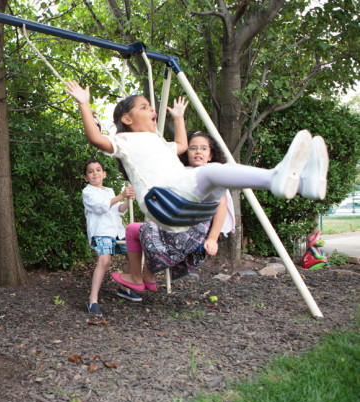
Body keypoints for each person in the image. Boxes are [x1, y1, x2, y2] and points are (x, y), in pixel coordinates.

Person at [65, 80, 328, 289]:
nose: (152, 111)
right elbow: (96, 138)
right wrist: (84, 104)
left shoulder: (159, 142)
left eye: (151, 107)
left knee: (218, 175)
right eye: (144, 107)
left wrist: (178, 117)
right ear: (127, 119)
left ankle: (302, 184)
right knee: (211, 172)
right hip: (164, 202)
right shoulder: (125, 142)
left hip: (190, 206)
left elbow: (181, 145)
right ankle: (275, 177)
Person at [113, 132, 236, 291]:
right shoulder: (183, 173)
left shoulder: (211, 176)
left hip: (189, 234)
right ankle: (148, 278)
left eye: (203, 148)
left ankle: (137, 278)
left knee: (134, 230)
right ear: (187, 152)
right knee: (152, 227)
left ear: (211, 155)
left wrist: (212, 239)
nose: (198, 152)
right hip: (179, 229)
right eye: (193, 148)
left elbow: (221, 206)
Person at [82, 159, 139, 316]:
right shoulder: (88, 192)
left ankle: (124, 288)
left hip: (117, 231)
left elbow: (118, 210)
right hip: (102, 232)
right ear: (86, 177)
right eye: (90, 171)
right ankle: (92, 300)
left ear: (104, 174)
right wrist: (121, 195)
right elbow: (100, 207)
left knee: (132, 256)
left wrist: (128, 200)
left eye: (98, 170)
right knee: (105, 261)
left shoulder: (109, 191)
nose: (95, 173)